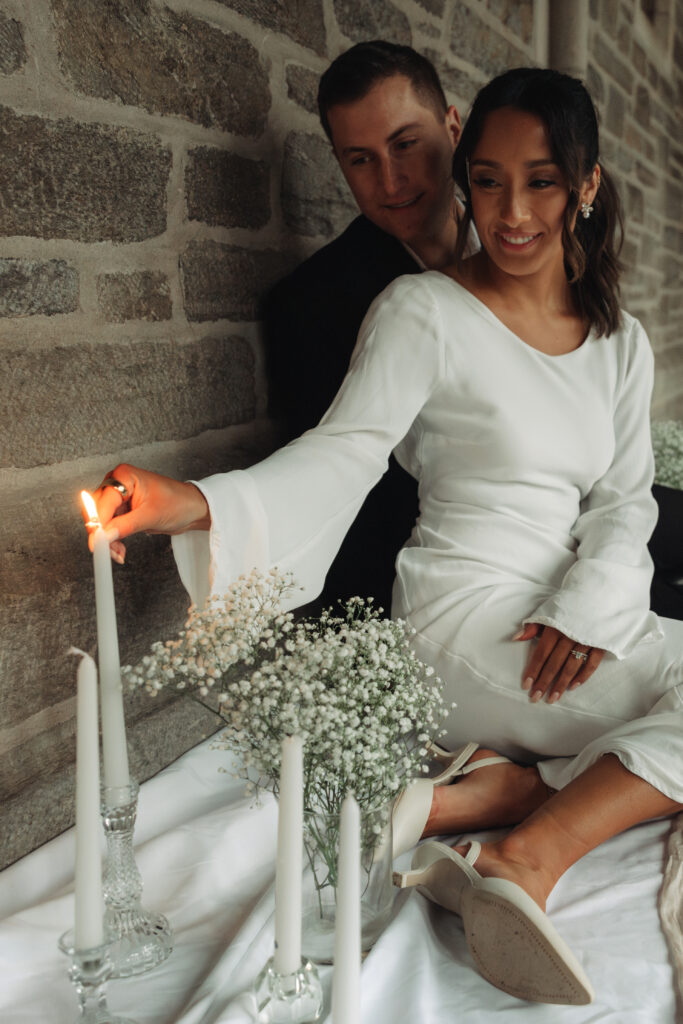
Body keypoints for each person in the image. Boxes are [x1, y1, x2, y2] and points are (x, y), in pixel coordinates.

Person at [89, 68, 683, 1006]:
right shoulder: (422, 311)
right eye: (487, 181)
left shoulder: (619, 340)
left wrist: (590, 606)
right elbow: (344, 452)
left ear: (586, 184)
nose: (511, 212)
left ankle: (498, 798)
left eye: (539, 181)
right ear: (466, 181)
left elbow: (623, 503)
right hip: (462, 615)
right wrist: (192, 502)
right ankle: (526, 855)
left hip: (566, 608)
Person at [263, 41, 472, 612]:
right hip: (437, 590)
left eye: (405, 144)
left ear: (452, 128)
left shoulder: (523, 238)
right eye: (361, 159)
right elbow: (344, 500)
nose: (391, 181)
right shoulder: (310, 305)